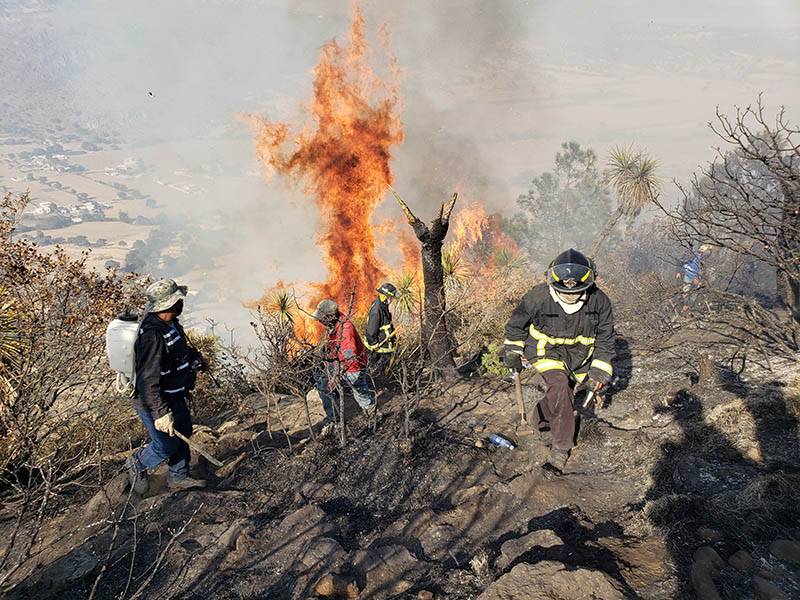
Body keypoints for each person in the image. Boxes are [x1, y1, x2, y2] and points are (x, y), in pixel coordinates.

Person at [503, 249, 615, 476]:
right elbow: (516, 325)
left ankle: (538, 421)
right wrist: (513, 351)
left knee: (562, 395)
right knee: (560, 387)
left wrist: (599, 372)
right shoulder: (537, 297)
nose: (571, 294)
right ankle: (560, 449)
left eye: (577, 290)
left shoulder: (599, 301)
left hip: (580, 357)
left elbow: (605, 339)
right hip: (546, 351)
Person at [125, 279, 207, 494]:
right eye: (179, 299)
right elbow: (146, 380)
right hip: (152, 400)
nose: (182, 303)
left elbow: (178, 352)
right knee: (165, 445)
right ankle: (137, 463)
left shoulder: (171, 324)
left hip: (174, 393)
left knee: (184, 431)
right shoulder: (152, 335)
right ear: (169, 304)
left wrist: (193, 359)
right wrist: (161, 413)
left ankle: (178, 477)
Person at [312, 299, 376, 425]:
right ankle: (336, 420)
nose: (320, 322)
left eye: (322, 319)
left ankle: (371, 416)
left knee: (360, 393)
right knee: (323, 384)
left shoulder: (345, 329)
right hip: (339, 363)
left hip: (353, 367)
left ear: (330, 316)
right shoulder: (334, 323)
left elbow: (349, 356)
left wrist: (336, 376)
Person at [364, 282, 397, 384]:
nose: (391, 300)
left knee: (380, 368)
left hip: (383, 345)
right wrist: (374, 345)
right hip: (379, 348)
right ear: (386, 297)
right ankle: (380, 386)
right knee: (379, 369)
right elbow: (371, 331)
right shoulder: (377, 310)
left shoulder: (382, 305)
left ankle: (378, 382)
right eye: (391, 297)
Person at [677, 244, 714, 312]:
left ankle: (688, 307)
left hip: (695, 278)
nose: (708, 253)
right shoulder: (694, 256)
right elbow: (684, 263)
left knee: (694, 293)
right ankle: (685, 307)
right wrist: (679, 272)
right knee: (686, 292)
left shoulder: (704, 259)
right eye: (708, 251)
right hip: (688, 276)